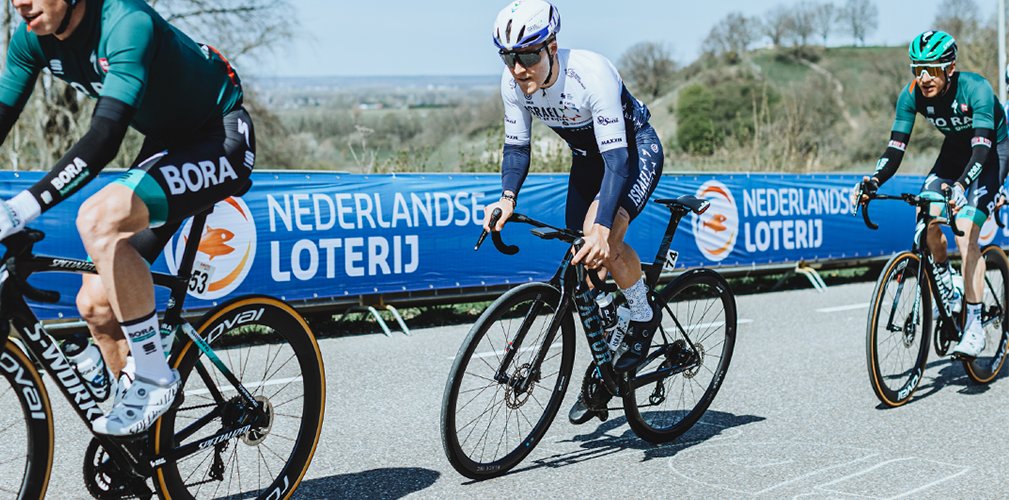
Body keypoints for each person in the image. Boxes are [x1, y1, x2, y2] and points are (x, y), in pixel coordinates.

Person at [0, 0, 255, 435]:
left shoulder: (126, 23)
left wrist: (19, 208)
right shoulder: (31, 38)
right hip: (165, 143)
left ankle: (155, 376)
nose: (20, 2)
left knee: (98, 219)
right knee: (96, 305)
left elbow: (104, 138)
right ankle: (138, 444)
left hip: (219, 137)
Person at [482, 0, 663, 423]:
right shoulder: (513, 83)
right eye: (509, 58)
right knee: (582, 261)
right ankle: (609, 355)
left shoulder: (591, 73)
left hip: (631, 153)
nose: (518, 69)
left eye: (528, 56)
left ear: (551, 47)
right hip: (586, 160)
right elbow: (516, 147)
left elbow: (617, 161)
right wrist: (507, 198)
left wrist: (602, 227)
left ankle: (642, 314)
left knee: (603, 239)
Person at [853, 30, 1007, 358]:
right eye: (917, 68)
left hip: (992, 153)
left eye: (932, 69)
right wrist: (874, 181)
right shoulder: (912, 95)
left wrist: (962, 186)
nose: (923, 77)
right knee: (926, 218)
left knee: (965, 234)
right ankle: (948, 286)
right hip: (954, 153)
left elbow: (981, 149)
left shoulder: (976, 88)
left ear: (950, 68)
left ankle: (975, 326)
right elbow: (896, 147)